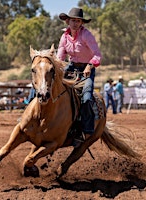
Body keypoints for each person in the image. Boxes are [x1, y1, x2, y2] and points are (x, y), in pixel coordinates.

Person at [57, 7, 102, 137]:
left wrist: (89, 66)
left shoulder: (86, 35)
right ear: (67, 22)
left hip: (86, 69)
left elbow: (97, 55)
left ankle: (86, 130)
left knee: (86, 98)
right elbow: (60, 56)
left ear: (81, 23)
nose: (75, 23)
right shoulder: (64, 37)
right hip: (71, 67)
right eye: (73, 20)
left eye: (78, 21)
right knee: (49, 83)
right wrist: (57, 67)